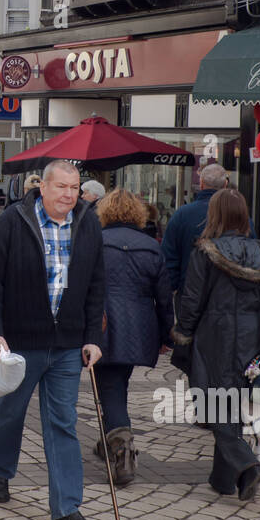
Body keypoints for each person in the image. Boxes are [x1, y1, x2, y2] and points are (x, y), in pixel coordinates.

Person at [0, 160, 106, 520]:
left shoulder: (87, 223)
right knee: (11, 413)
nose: (69, 194)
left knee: (62, 423)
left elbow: (98, 283)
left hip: (67, 344)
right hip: (22, 341)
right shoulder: (14, 220)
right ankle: (1, 471)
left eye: (74, 187)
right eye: (62, 187)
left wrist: (92, 337)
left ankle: (66, 509)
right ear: (43, 187)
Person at [172, 189, 260, 503]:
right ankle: (223, 478)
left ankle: (246, 464)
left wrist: (183, 334)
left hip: (214, 336)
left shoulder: (206, 252)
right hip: (253, 337)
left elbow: (191, 299)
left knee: (212, 402)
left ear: (215, 215)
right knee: (232, 401)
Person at [95, 188, 172, 485]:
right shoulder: (150, 246)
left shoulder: (96, 242)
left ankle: (122, 448)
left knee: (110, 387)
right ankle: (109, 442)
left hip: (102, 323)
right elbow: (164, 296)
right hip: (140, 325)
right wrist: (168, 334)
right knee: (117, 384)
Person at [162, 162, 234, 293]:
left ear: (201, 184)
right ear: (225, 185)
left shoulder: (182, 215)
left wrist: (173, 288)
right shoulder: (238, 216)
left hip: (189, 291)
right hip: (228, 294)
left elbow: (169, 257)